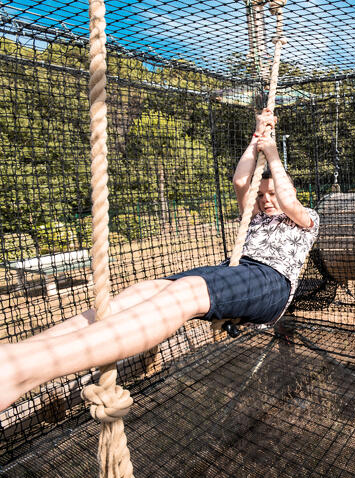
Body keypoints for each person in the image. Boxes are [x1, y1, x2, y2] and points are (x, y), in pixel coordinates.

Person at [0, 108, 319, 410]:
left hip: (270, 282)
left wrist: (272, 151)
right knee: (145, 290)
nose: (265, 200)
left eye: (271, 194)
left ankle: (27, 370)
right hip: (235, 271)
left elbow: (289, 200)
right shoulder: (255, 217)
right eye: (261, 195)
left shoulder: (306, 220)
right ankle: (14, 357)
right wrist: (255, 140)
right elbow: (240, 181)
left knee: (186, 292)